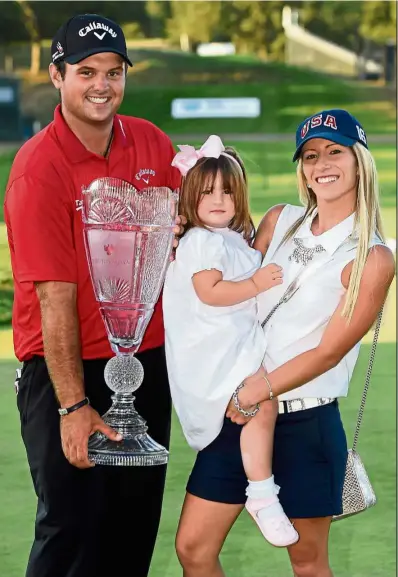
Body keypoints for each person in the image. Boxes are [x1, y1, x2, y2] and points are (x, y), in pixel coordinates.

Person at [172, 109, 395, 577]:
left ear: (360, 160)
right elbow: (226, 277)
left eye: (335, 152)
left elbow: (329, 350)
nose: (322, 164)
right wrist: (186, 239)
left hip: (303, 420)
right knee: (193, 549)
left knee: (308, 563)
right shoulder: (279, 219)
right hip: (237, 414)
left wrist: (257, 390)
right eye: (310, 155)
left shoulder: (372, 256)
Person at [4, 13, 182, 577]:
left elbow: (198, 225)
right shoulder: (38, 168)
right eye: (86, 71)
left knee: (131, 533)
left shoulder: (151, 142)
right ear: (58, 76)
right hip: (65, 370)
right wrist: (74, 407)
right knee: (70, 532)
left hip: (145, 363)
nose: (101, 84)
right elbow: (55, 297)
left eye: (112, 71)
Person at [163, 135, 299, 548]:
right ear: (190, 197)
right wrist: (257, 282)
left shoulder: (231, 240)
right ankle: (261, 492)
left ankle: (260, 489)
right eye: (207, 192)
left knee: (264, 403)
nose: (219, 199)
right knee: (263, 402)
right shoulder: (201, 241)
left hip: (232, 342)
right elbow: (211, 291)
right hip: (214, 350)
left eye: (228, 191)